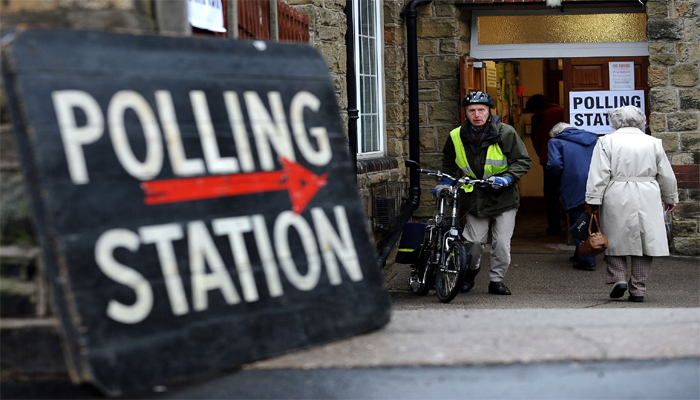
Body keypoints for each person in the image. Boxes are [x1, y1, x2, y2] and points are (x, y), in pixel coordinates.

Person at [437, 91, 531, 295]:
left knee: (501, 244)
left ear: (489, 112)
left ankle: (496, 280)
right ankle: (470, 271)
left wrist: (507, 178)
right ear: (466, 113)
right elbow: (448, 162)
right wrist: (446, 181)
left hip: (503, 196)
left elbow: (522, 161)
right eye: (472, 110)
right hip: (474, 196)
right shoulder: (456, 135)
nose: (476, 114)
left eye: (481, 110)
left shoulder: (505, 132)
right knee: (474, 241)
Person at [585, 106, 678, 303]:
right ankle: (638, 289)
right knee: (646, 242)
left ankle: (619, 278)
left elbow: (598, 173)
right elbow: (666, 174)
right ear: (641, 120)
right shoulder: (653, 142)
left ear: (615, 121)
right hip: (648, 192)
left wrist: (593, 199)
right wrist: (670, 197)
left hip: (616, 190)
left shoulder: (606, 141)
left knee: (613, 237)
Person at [546, 122, 599, 271]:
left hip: (573, 182)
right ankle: (580, 253)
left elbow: (554, 165)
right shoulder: (593, 138)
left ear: (557, 133)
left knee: (578, 220)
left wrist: (556, 179)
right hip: (596, 182)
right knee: (591, 219)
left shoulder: (555, 141)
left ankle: (587, 259)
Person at [526, 95, 566, 235]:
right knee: (568, 191)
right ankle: (570, 223)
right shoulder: (564, 111)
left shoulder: (540, 116)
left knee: (551, 194)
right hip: (568, 157)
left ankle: (554, 226)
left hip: (548, 157)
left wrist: (541, 154)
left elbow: (536, 139)